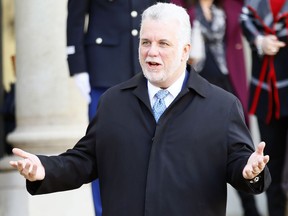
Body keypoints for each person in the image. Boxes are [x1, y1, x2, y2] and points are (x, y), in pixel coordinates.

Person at [10, 3, 271, 216]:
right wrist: (44, 169)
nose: (151, 52)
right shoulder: (113, 102)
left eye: (163, 44)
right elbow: (85, 160)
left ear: (185, 50)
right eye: (145, 42)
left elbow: (242, 165)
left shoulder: (222, 106)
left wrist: (251, 171)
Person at [66, 1, 168, 215]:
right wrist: (77, 66)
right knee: (104, 149)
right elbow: (75, 18)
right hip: (104, 68)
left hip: (146, 67)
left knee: (153, 146)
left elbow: (163, 13)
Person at [171, 0, 260, 215]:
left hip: (228, 84)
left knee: (238, 149)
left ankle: (251, 209)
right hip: (198, 88)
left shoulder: (228, 6)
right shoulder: (182, 9)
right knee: (199, 151)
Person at [240, 0, 287, 215]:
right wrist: (259, 41)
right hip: (266, 96)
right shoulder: (252, 3)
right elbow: (245, 22)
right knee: (272, 169)